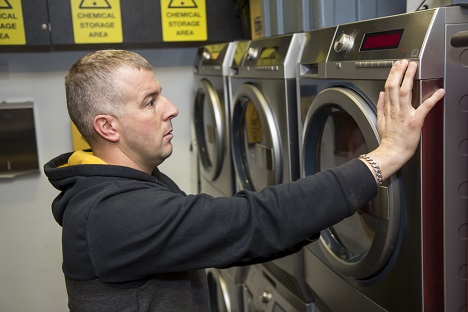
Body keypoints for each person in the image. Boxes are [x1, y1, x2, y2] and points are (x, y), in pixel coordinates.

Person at [44, 49, 445, 312]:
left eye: (160, 95)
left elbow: (238, 236)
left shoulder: (125, 184)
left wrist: (328, 210)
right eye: (149, 102)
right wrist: (384, 157)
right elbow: (249, 221)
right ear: (107, 127)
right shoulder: (112, 213)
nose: (171, 108)